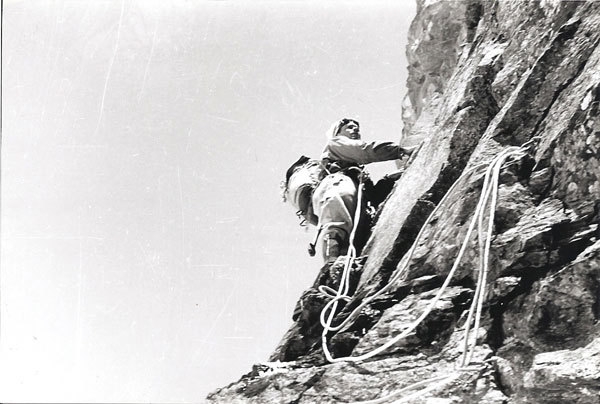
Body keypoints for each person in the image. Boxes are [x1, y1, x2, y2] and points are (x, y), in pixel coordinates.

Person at [285, 118, 415, 264]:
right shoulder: (335, 143)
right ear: (338, 132)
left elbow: (372, 194)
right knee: (338, 220)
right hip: (335, 184)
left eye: (357, 128)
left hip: (340, 194)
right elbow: (365, 150)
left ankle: (338, 267)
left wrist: (390, 179)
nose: (355, 130)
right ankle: (331, 264)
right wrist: (401, 151)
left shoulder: (356, 174)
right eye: (350, 127)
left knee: (349, 232)